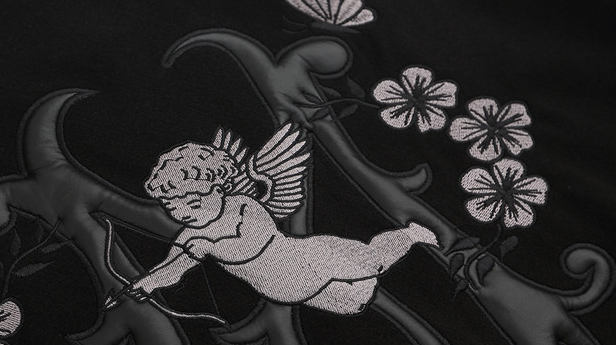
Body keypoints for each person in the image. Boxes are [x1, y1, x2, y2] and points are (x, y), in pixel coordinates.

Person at [122, 129, 438, 316]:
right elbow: (172, 268)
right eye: (171, 206)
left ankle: (410, 235)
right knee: (358, 291)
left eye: (192, 202)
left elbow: (249, 236)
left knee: (368, 273)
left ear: (218, 188)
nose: (182, 213)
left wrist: (203, 245)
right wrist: (145, 284)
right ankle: (400, 246)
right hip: (287, 285)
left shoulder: (243, 207)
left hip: (308, 258)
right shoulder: (191, 238)